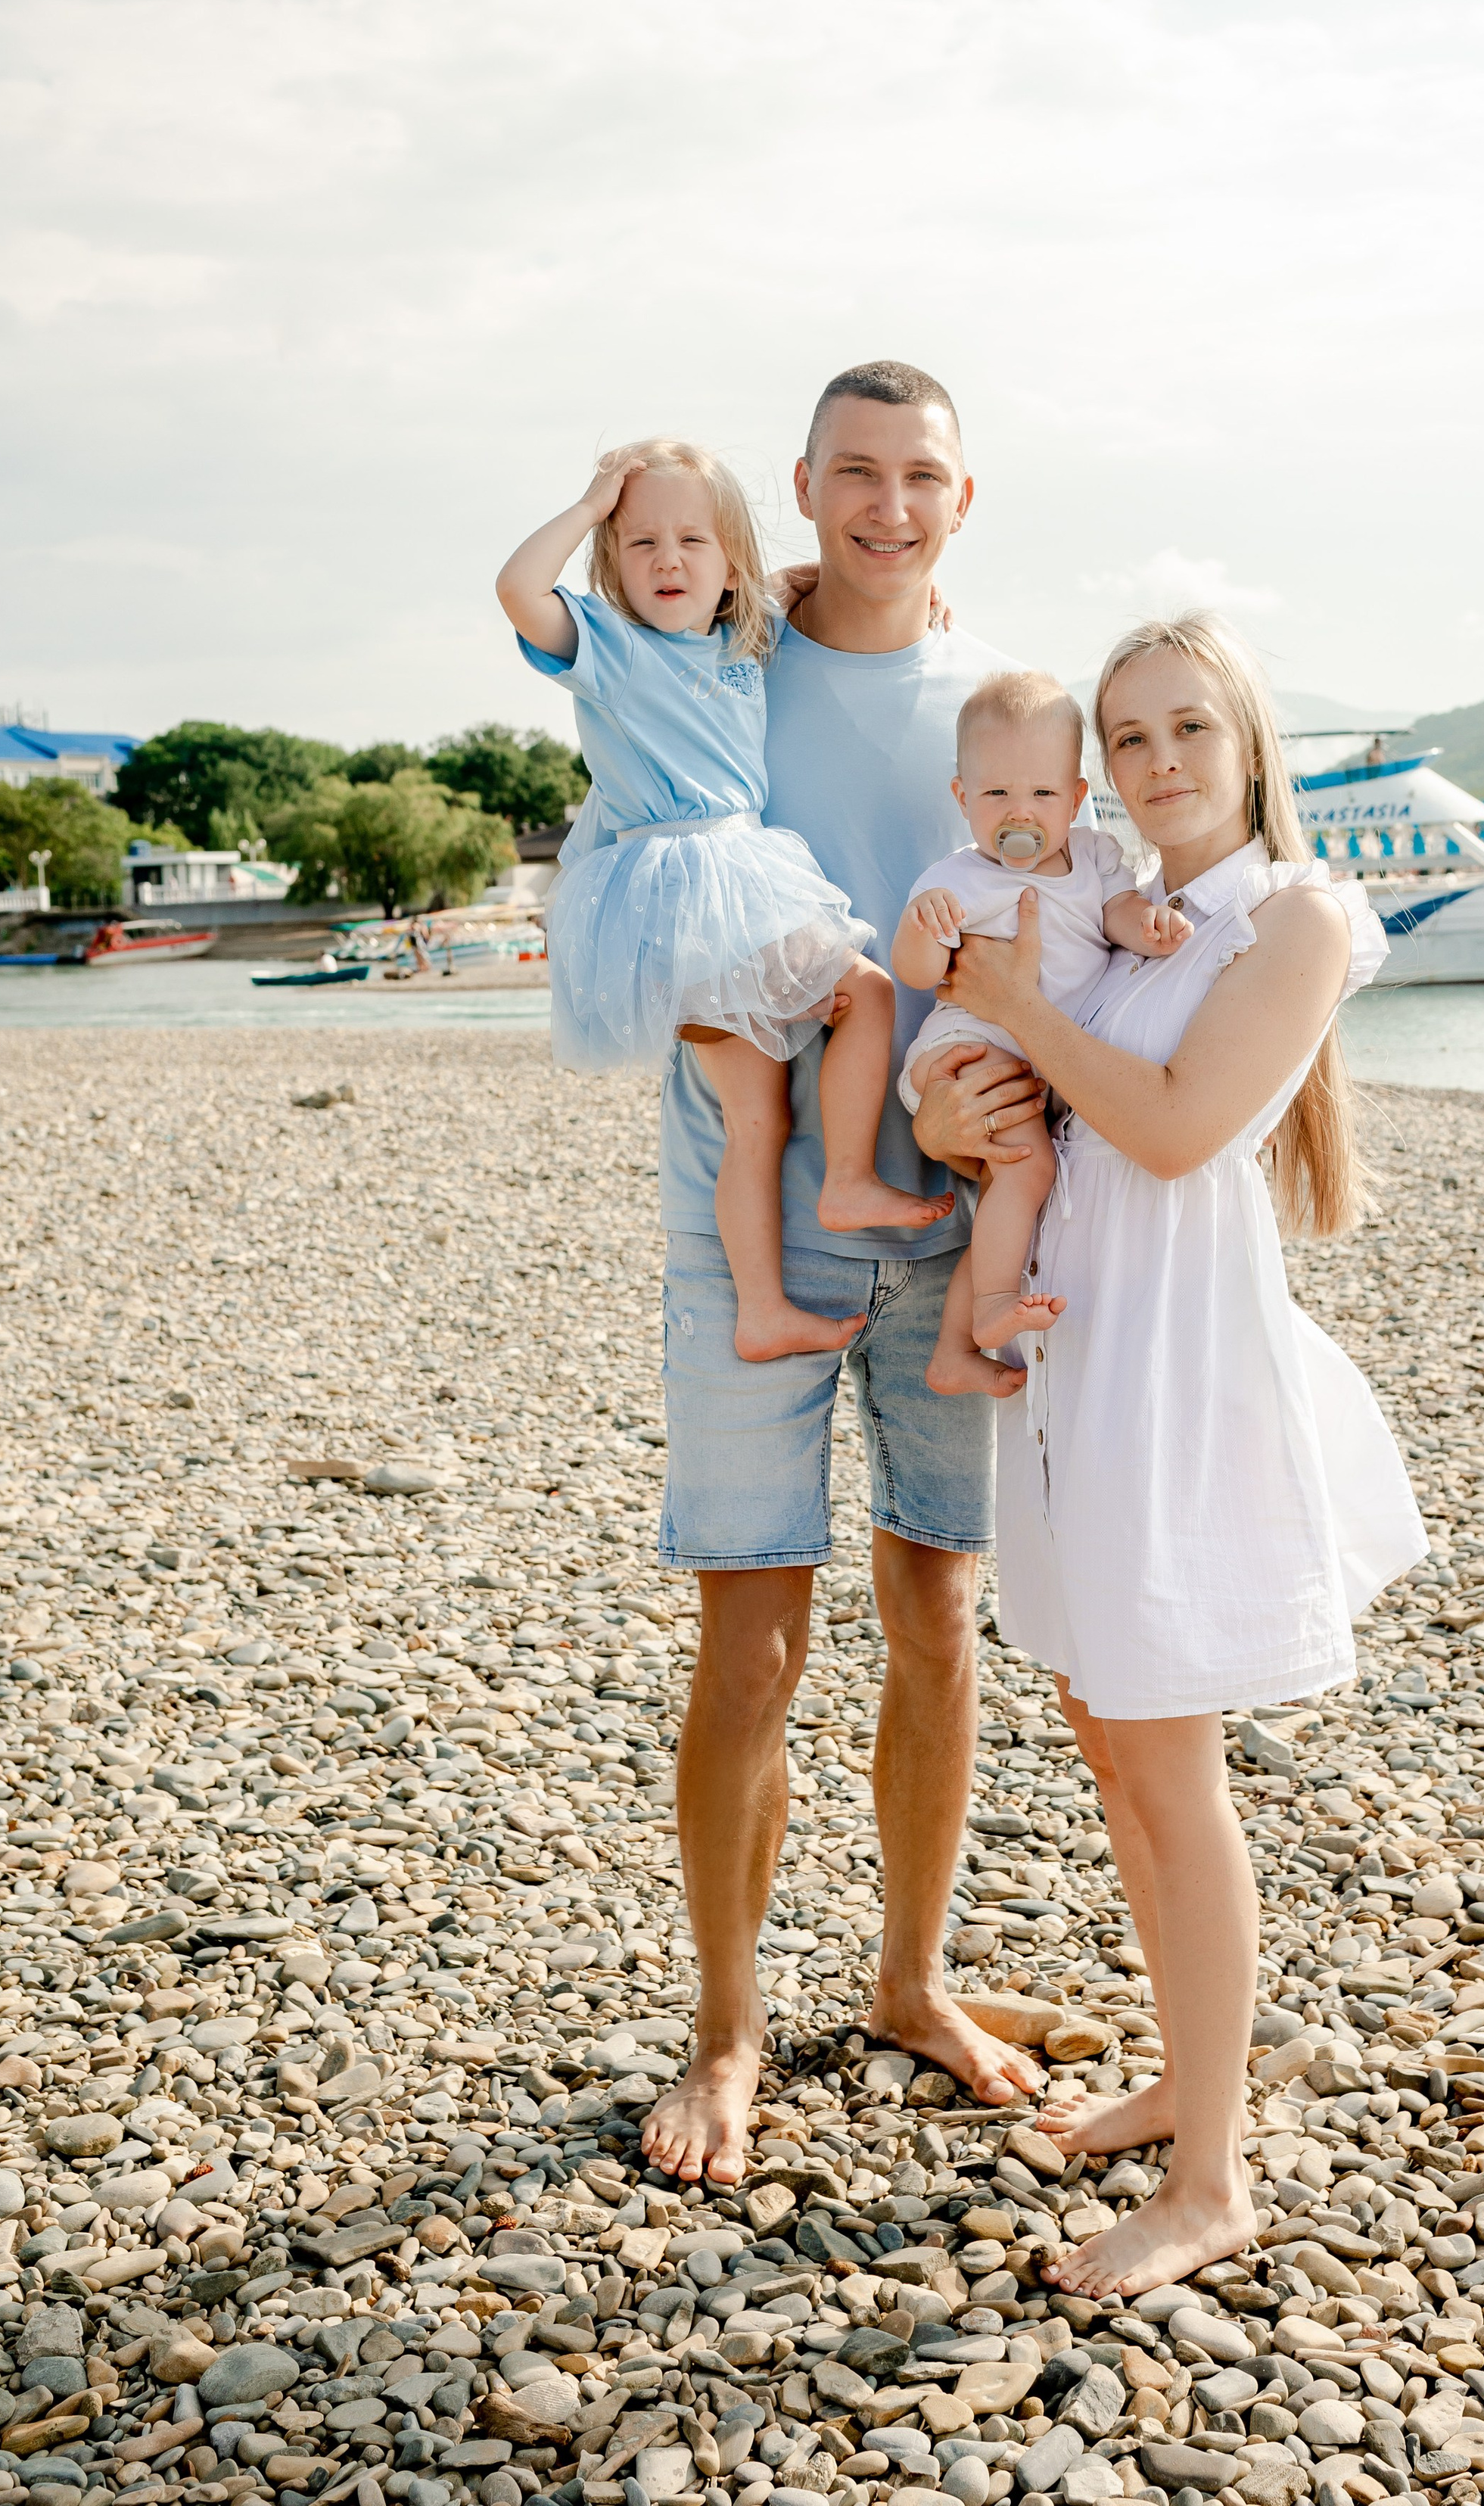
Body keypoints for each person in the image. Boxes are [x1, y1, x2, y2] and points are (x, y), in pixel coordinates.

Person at [937, 609, 1427, 2298]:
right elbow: (1019, 1099)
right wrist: (955, 1096)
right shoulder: (1121, 917)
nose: (1154, 765)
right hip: (1082, 1356)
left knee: (1171, 1765)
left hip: (1173, 1368)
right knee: (1106, 1735)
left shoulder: (1290, 917)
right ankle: (1179, 2072)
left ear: (1247, 747)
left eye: (1185, 733)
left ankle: (1212, 2177)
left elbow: (1162, 1127)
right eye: (1127, 738)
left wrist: (1008, 1000)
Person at [630, 362, 1055, 2187]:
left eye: (922, 476)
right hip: (746, 1204)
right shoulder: (715, 657)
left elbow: (1081, 927)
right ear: (799, 486)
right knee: (750, 1628)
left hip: (954, 1207)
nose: (889, 504)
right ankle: (727, 2028)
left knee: (936, 1607)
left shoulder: (1003, 699)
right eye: (856, 473)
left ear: (967, 496)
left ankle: (906, 1976)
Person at [499, 441, 950, 1365]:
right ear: (609, 565)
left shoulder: (747, 637)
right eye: (639, 544)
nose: (668, 560)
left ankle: (762, 1310)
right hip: (683, 887)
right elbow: (517, 589)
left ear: (730, 562)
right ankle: (850, 1181)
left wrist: (921, 601)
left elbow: (805, 589)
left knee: (760, 1121)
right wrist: (589, 506)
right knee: (864, 996)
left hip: (729, 888)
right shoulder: (611, 650)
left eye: (692, 541)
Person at [891, 667, 1190, 1390]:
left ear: (1078, 800)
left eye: (1043, 794)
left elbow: (1115, 916)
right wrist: (926, 927)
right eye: (995, 793)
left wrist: (1147, 928)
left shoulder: (1095, 859)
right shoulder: (957, 877)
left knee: (1013, 1196)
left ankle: (954, 1349)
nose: (1017, 812)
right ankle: (993, 1307)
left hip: (1033, 1055)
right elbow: (914, 969)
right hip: (973, 1050)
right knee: (1031, 1171)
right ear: (963, 798)